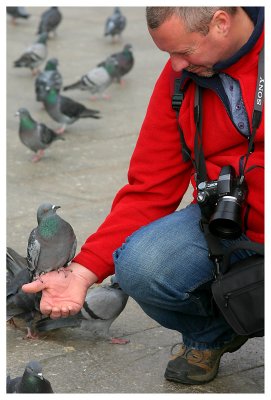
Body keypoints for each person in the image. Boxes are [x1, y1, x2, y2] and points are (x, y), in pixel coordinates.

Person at [22, 7, 264, 385]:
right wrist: (83, 271)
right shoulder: (179, 82)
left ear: (221, 22)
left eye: (184, 52)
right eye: (167, 54)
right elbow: (149, 189)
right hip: (226, 218)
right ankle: (212, 333)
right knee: (139, 264)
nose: (175, 66)